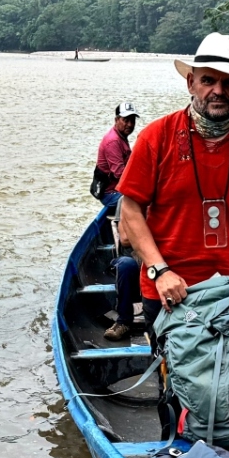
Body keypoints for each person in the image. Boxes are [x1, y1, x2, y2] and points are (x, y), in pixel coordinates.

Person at [113, 33, 229, 338]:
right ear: (190, 82)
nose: (218, 91)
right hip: (170, 292)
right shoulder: (157, 137)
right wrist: (159, 270)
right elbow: (131, 209)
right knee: (175, 385)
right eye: (208, 80)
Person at [91, 102, 143, 342]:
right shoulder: (113, 141)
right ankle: (124, 321)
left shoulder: (123, 139)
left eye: (132, 120)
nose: (129, 124)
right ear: (116, 119)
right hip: (114, 193)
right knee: (125, 263)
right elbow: (124, 177)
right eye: (125, 119)